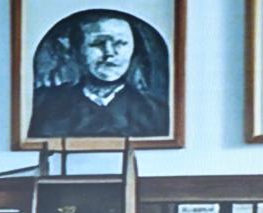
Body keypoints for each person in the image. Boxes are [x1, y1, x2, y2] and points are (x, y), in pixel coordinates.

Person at [28, 10, 169, 138]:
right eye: (98, 43)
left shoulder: (155, 111)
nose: (109, 53)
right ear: (76, 50)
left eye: (120, 43)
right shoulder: (44, 105)